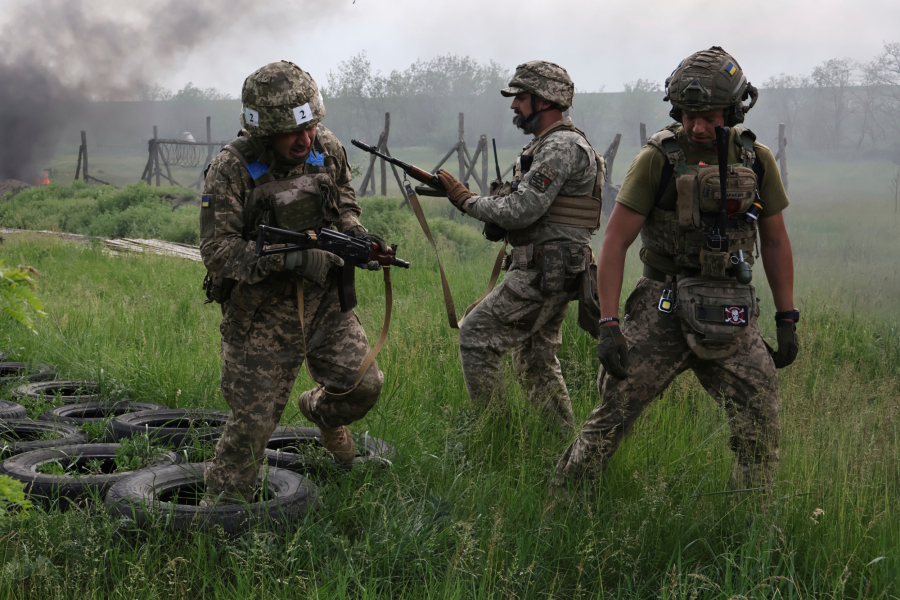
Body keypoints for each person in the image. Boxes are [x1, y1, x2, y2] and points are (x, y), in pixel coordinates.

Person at [554, 47, 799, 492]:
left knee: (760, 424)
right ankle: (561, 512)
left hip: (730, 307)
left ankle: (751, 531)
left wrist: (787, 319)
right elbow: (614, 242)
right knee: (610, 419)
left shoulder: (756, 160)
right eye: (687, 114)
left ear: (734, 109)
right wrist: (610, 325)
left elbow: (777, 241)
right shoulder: (657, 159)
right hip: (661, 306)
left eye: (707, 115)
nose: (696, 125)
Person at [200, 60, 388, 503]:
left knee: (364, 387)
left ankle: (321, 413)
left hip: (325, 304)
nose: (306, 139)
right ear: (263, 132)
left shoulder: (326, 146)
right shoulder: (231, 169)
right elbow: (218, 252)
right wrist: (292, 260)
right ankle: (217, 518)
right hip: (261, 315)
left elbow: (343, 199)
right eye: (291, 132)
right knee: (253, 425)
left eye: (311, 126)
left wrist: (355, 234)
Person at [437, 61, 603, 438]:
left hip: (545, 271)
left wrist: (466, 201)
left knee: (476, 335)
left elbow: (524, 208)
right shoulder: (548, 145)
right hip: (551, 268)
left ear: (546, 100)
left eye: (522, 98)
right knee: (536, 359)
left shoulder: (561, 146)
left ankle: (496, 436)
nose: (514, 106)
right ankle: (560, 442)